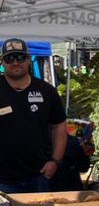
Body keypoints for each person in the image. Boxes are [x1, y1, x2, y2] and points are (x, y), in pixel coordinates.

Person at [0, 38, 67, 193]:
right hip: (2, 181)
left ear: (29, 59)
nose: (16, 62)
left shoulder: (46, 90)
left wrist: (56, 161)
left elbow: (59, 126)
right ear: (2, 61)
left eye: (21, 57)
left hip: (39, 176)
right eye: (10, 58)